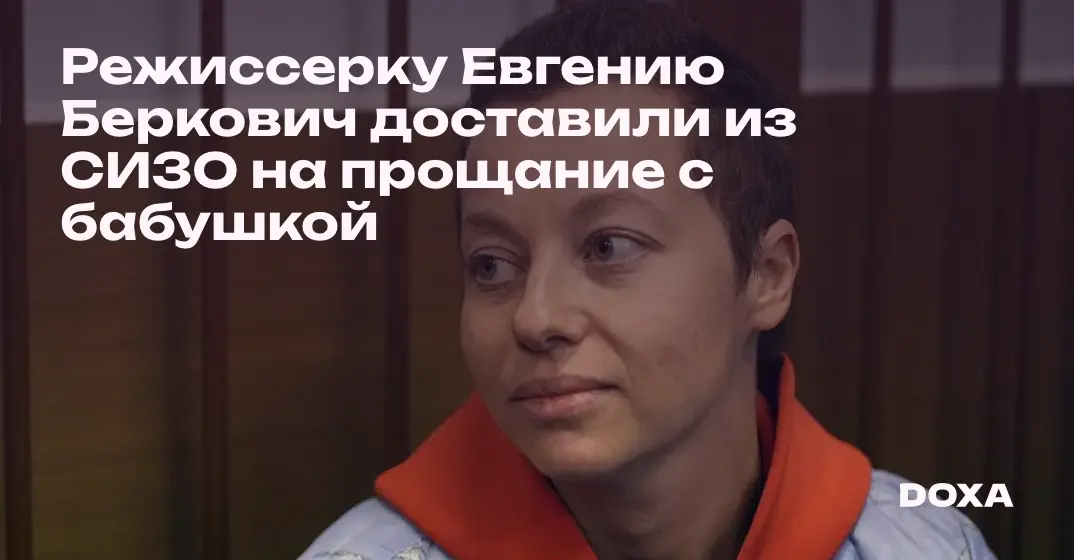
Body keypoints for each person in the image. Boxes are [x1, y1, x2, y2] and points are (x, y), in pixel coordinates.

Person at [300, 1, 996, 558]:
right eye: (492, 265)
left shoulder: (931, 545)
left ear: (768, 274)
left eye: (609, 247)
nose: (535, 318)